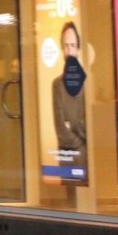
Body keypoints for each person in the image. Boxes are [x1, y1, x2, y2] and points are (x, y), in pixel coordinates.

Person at [51, 21, 90, 155]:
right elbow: (62, 132)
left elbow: (90, 125)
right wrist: (80, 137)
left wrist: (72, 124)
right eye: (66, 46)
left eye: (73, 45)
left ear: (78, 49)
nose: (69, 50)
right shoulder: (57, 85)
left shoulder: (87, 82)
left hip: (87, 154)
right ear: (62, 49)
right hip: (67, 155)